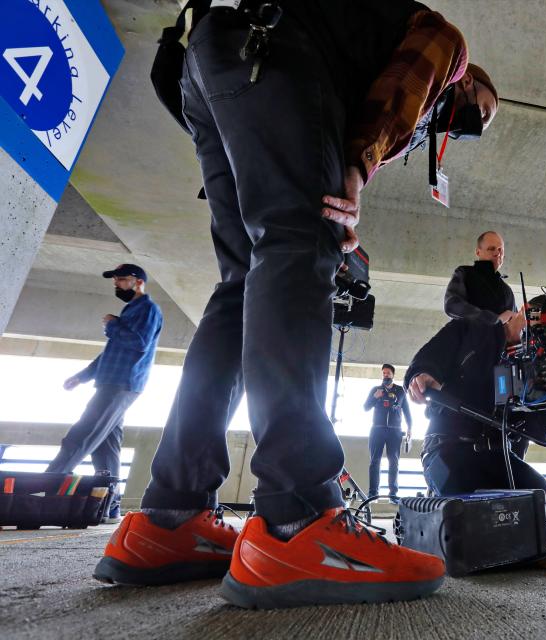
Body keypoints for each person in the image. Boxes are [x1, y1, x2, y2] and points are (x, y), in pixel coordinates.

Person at [95, 0, 498, 609]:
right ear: (469, 82)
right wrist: (357, 164)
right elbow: (403, 87)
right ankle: (299, 514)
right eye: (479, 112)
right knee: (298, 245)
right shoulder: (446, 44)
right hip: (276, 57)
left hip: (210, 65)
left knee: (241, 282)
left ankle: (170, 516)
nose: (471, 123)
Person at [405, 309, 546, 543]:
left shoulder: (538, 366)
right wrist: (421, 374)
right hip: (448, 450)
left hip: (500, 457)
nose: (536, 333)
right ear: (521, 312)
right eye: (534, 322)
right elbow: (428, 359)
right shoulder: (471, 329)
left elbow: (541, 425)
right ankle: (433, 505)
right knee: (480, 532)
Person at [47, 264, 163, 524]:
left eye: (121, 279)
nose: (117, 284)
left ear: (138, 282)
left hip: (122, 384)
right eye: (115, 281)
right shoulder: (130, 310)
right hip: (112, 382)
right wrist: (82, 376)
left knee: (80, 436)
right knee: (105, 447)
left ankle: (42, 491)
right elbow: (111, 353)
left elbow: (140, 344)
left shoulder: (148, 309)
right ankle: (109, 505)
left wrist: (113, 325)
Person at [444, 231, 516, 325]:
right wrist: (494, 320)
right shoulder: (465, 273)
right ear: (478, 252)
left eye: (500, 250)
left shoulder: (507, 290)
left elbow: (516, 327)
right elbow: (452, 305)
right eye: (491, 249)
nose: (497, 253)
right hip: (470, 338)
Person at [364, 364, 413, 499]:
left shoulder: (400, 391)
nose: (386, 375)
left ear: (393, 375)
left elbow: (407, 411)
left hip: (395, 431)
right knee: (375, 461)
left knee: (394, 461)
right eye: (384, 373)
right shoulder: (376, 390)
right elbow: (365, 407)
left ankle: (393, 493)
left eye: (388, 373)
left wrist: (410, 428)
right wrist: (375, 397)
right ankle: (373, 493)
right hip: (377, 430)